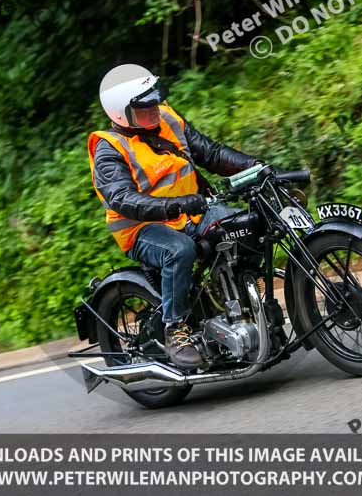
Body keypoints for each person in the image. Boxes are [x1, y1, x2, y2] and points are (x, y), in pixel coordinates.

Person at [87, 64, 262, 369]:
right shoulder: (109, 149)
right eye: (144, 106)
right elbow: (122, 199)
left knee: (248, 226)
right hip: (142, 229)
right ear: (121, 113)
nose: (154, 108)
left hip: (192, 213)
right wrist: (176, 205)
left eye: (155, 100)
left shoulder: (168, 119)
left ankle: (236, 301)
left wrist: (255, 167)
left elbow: (212, 154)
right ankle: (175, 330)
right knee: (179, 250)